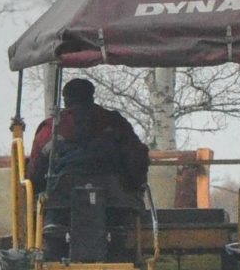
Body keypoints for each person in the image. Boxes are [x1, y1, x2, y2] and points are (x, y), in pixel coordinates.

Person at [27, 78, 152, 259]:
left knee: (52, 240)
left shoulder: (50, 128)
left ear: (65, 99)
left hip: (61, 211)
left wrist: (37, 188)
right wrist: (136, 184)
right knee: (119, 247)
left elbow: (35, 171)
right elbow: (136, 159)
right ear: (91, 96)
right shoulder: (115, 123)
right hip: (114, 210)